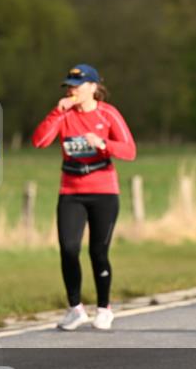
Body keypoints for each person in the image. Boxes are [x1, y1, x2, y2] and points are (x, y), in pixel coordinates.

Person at [32, 65, 136, 330]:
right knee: (68, 249)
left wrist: (103, 144)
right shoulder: (64, 115)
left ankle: (104, 308)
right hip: (71, 191)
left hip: (104, 190)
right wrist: (58, 111)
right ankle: (75, 309)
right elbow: (40, 141)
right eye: (68, 86)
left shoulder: (108, 113)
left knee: (98, 251)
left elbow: (129, 151)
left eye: (76, 85)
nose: (71, 90)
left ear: (92, 87)